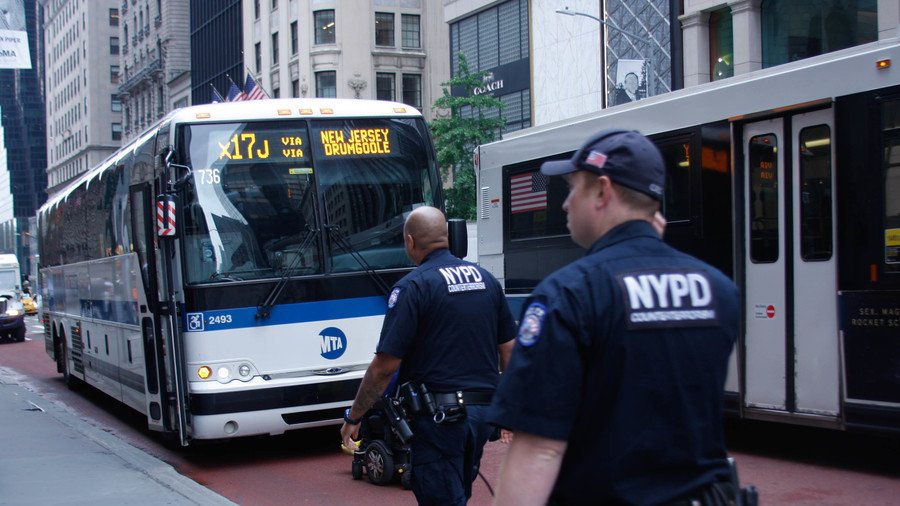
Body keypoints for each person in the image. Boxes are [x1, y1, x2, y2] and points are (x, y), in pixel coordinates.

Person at [488, 129, 740, 505]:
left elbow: (540, 450)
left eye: (574, 188)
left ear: (603, 191)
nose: (565, 203)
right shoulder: (719, 289)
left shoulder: (569, 294)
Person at [340, 206, 516, 505]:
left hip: (441, 420)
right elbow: (509, 352)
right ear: (447, 236)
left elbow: (385, 366)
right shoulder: (486, 279)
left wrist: (354, 416)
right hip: (482, 416)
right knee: (458, 493)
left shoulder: (413, 287)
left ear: (410, 241)